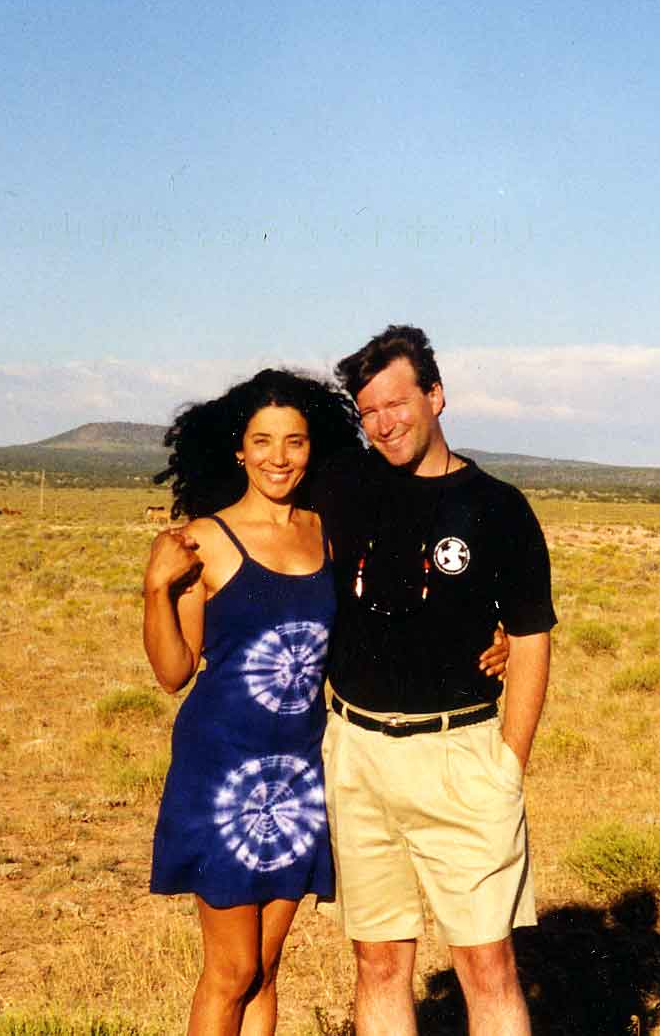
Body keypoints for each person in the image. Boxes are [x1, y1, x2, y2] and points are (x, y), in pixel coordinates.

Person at [140, 367, 508, 1036]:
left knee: (266, 968)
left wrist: (487, 638)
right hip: (221, 770)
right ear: (238, 450)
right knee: (231, 971)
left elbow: (387, 616)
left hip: (302, 771)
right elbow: (173, 672)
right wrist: (155, 591)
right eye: (262, 441)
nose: (278, 457)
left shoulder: (326, 532)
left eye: (294, 441)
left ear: (314, 449)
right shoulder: (202, 541)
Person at [314, 325, 556, 1036]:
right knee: (378, 963)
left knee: (487, 966)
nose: (384, 423)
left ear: (436, 396)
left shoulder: (497, 506)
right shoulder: (343, 485)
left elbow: (531, 637)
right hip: (356, 754)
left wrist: (509, 764)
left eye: (397, 403)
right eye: (368, 411)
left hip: (460, 757)